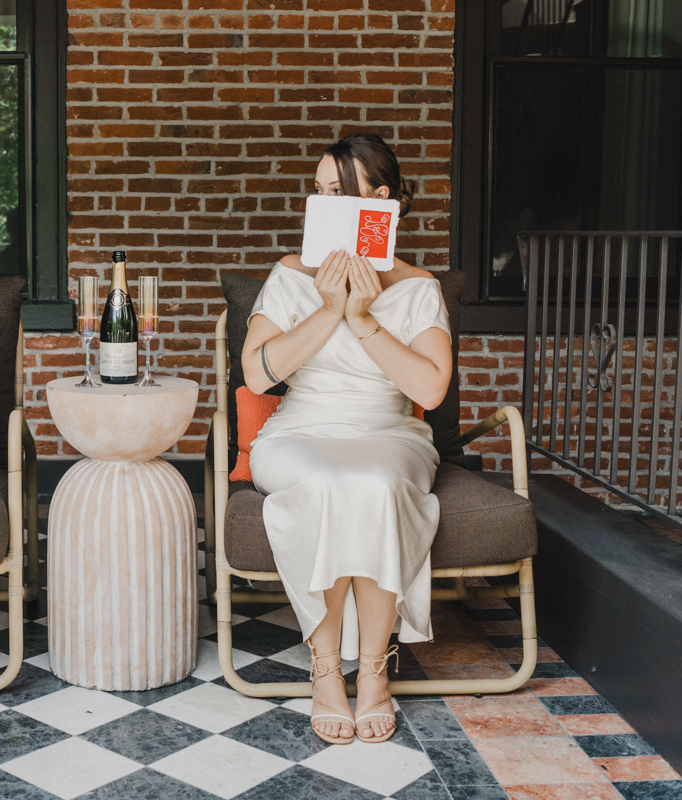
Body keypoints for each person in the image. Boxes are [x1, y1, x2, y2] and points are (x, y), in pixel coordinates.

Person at [241, 133, 453, 745]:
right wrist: (328, 309)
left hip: (389, 431)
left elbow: (431, 390)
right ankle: (327, 670)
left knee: (375, 480)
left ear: (379, 200)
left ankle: (376, 674)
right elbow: (258, 373)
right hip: (301, 429)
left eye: (337, 192)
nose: (321, 202)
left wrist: (362, 318)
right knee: (333, 479)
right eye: (318, 192)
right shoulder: (289, 275)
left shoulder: (418, 288)